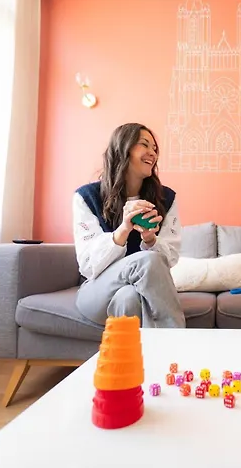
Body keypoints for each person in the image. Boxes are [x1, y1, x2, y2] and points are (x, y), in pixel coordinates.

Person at [72, 122, 185, 328]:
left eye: (154, 148)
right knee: (147, 260)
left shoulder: (165, 198)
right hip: (96, 292)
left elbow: (170, 261)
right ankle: (175, 340)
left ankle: (131, 349)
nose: (152, 153)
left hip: (137, 292)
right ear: (123, 148)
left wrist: (150, 240)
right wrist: (124, 229)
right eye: (144, 144)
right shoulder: (87, 196)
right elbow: (88, 265)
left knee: (129, 297)